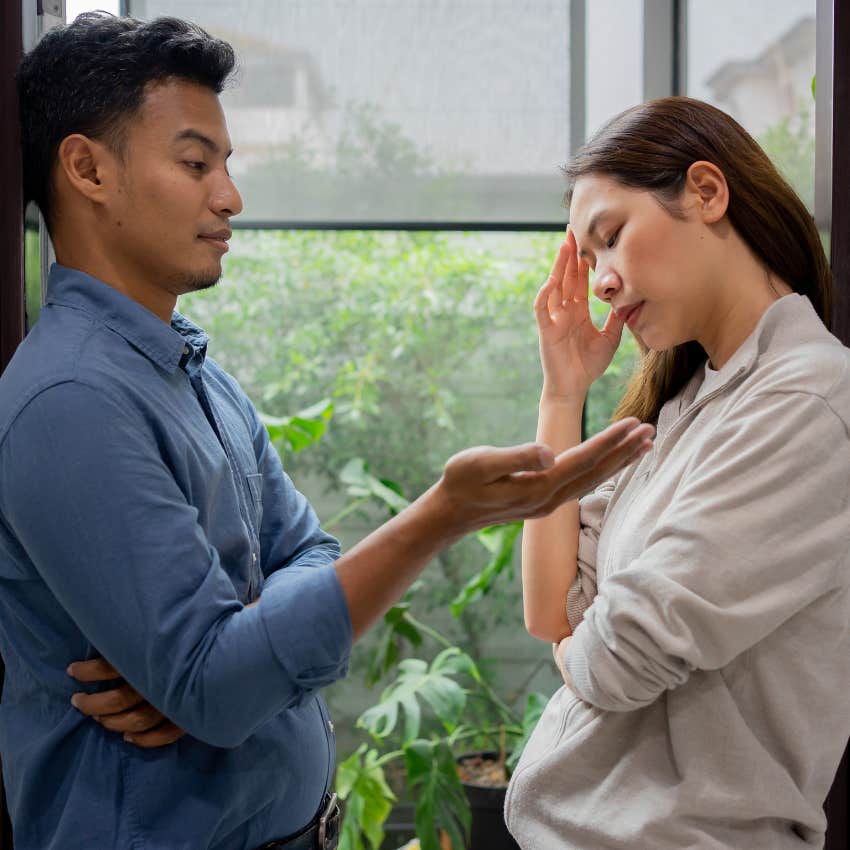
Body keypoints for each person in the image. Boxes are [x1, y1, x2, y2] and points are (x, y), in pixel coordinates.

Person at [0, 13, 653, 850]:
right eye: (196, 163)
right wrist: (438, 517)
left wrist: (220, 661)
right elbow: (227, 681)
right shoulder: (71, 400)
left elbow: (311, 558)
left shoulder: (196, 375)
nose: (229, 195)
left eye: (224, 165)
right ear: (87, 168)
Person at [505, 95, 850, 850]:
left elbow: (614, 663)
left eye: (612, 237)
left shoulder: (810, 398)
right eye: (588, 260)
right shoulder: (689, 405)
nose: (599, 281)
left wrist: (582, 641)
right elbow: (547, 607)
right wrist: (563, 394)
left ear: (706, 191)